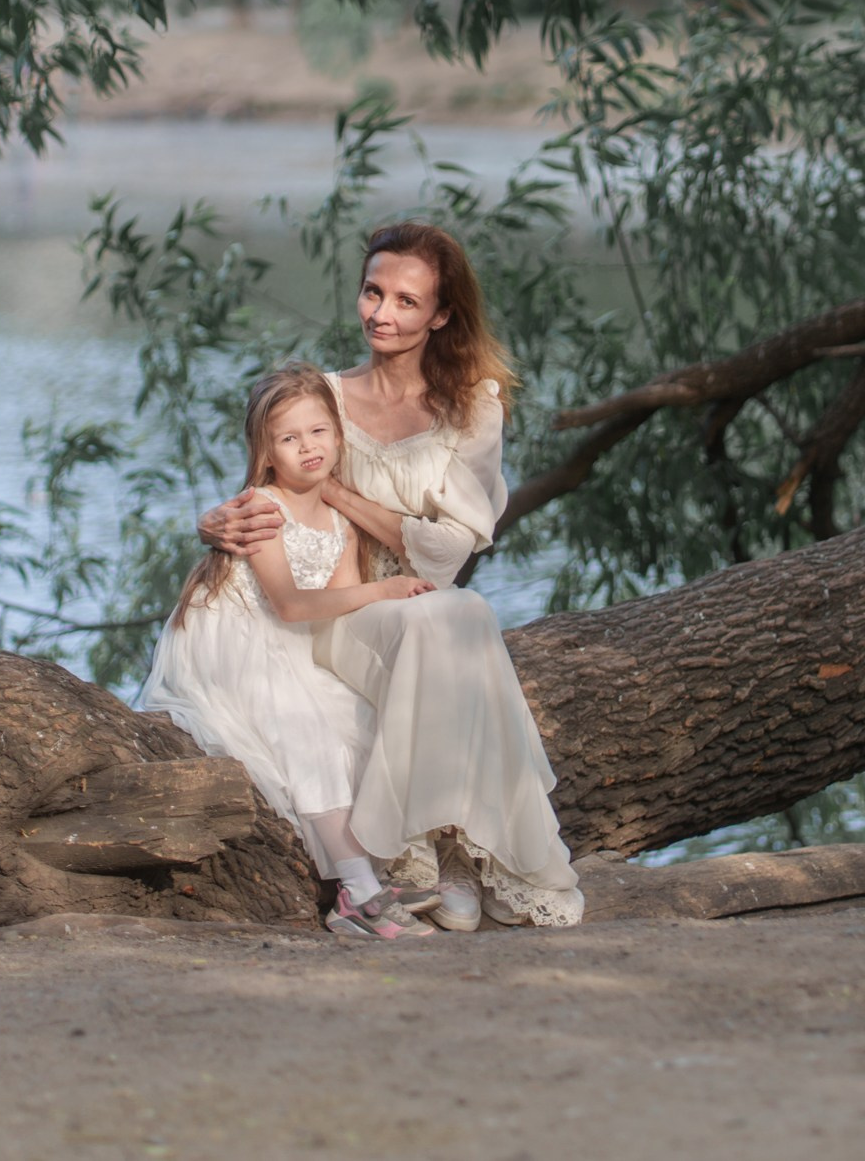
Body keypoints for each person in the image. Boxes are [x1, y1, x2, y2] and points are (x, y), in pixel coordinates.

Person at [200, 221, 584, 930]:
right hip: (340, 610)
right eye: (374, 292)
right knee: (453, 616)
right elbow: (266, 482)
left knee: (457, 610)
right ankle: (424, 854)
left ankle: (457, 852)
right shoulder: (329, 398)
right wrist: (212, 520)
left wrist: (345, 497)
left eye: (408, 301)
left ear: (441, 314)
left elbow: (445, 558)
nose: (383, 313)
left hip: (419, 608)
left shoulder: (475, 405)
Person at [143, 363, 443, 939]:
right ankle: (356, 895)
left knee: (357, 718)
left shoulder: (340, 518)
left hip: (288, 641)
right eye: (289, 438)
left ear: (337, 434)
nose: (308, 447)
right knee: (304, 727)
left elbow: (335, 598)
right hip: (231, 639)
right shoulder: (262, 507)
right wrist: (385, 588)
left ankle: (373, 871)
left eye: (318, 432)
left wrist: (386, 601)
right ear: (266, 451)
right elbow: (289, 604)